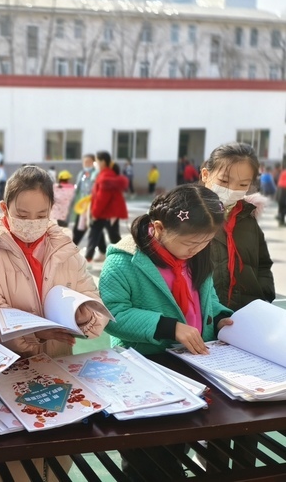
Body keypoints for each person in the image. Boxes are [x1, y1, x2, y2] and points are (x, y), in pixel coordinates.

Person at [0, 165, 109, 481]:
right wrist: (33, 333)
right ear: (5, 208)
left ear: (52, 210)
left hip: (57, 366)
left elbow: (92, 298)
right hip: (6, 371)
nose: (32, 224)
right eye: (23, 214)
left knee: (57, 459)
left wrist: (85, 315)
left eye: (41, 215)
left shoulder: (64, 246)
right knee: (10, 463)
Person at [98, 184, 233, 479]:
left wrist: (220, 317)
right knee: (149, 456)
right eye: (191, 244)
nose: (197, 249)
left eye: (205, 242)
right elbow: (111, 314)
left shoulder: (196, 255)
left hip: (193, 365)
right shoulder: (123, 262)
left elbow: (206, 298)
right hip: (145, 370)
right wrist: (169, 327)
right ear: (158, 228)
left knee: (180, 441)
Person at [201, 142, 275, 310]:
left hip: (246, 314)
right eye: (224, 181)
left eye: (242, 185)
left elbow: (263, 264)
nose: (232, 189)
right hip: (203, 318)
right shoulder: (185, 216)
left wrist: (264, 294)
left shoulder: (247, 218)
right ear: (206, 175)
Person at [84, 151, 128, 264]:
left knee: (101, 234)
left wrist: (95, 213)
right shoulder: (106, 174)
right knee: (100, 234)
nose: (95, 163)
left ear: (103, 162)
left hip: (106, 213)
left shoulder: (105, 176)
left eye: (97, 161)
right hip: (108, 213)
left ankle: (88, 258)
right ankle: (100, 255)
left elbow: (102, 198)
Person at [70, 154, 105, 254]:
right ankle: (102, 250)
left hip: (92, 205)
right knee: (94, 228)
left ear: (93, 163)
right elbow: (78, 189)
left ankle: (71, 250)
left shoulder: (96, 174)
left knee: (87, 228)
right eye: (84, 162)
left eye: (89, 162)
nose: (86, 164)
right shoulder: (82, 174)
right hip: (82, 205)